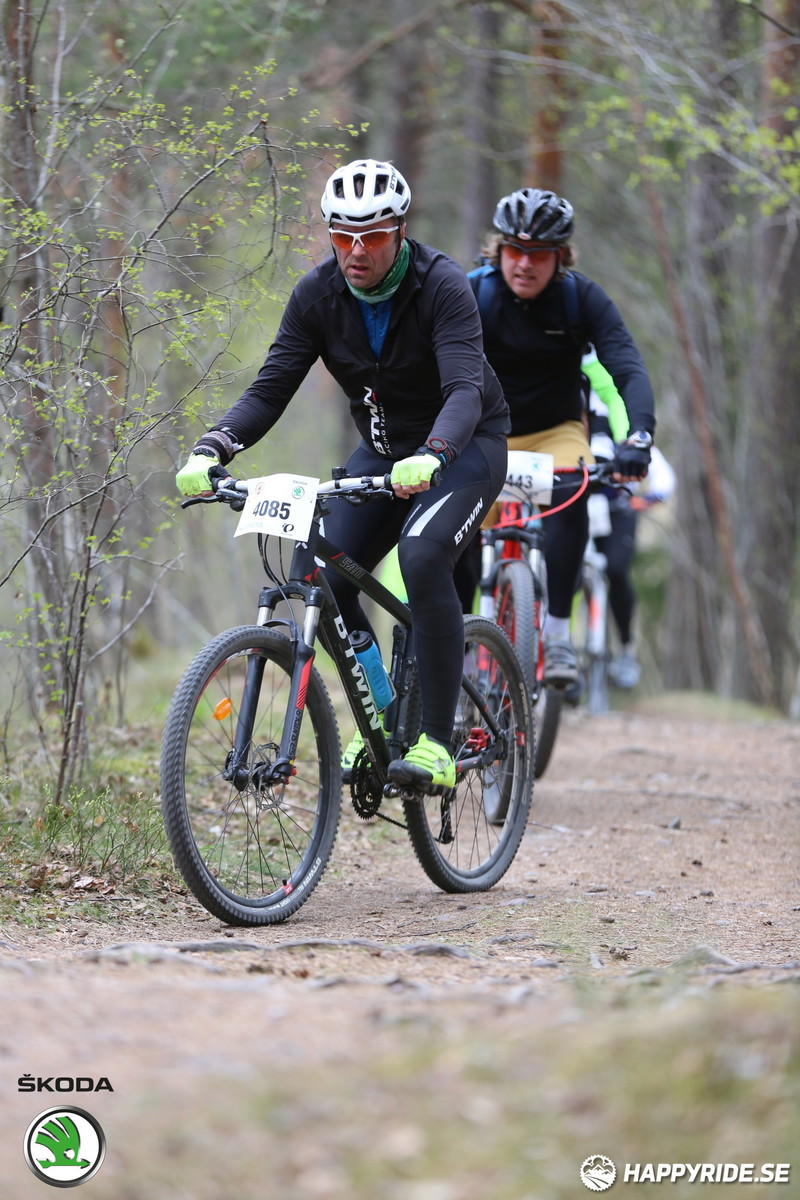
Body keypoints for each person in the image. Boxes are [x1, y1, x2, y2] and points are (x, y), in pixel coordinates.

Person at [175, 159, 510, 792]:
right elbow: (270, 388)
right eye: (342, 234)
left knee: (421, 556)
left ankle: (438, 743)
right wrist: (212, 447)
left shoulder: (442, 285)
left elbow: (465, 387)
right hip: (384, 453)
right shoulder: (316, 296)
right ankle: (382, 710)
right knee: (318, 569)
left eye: (373, 236)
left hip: (465, 447)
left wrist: (436, 452)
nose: (356, 250)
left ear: (399, 232)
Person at [454, 186, 656, 689]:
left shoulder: (580, 298)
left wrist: (640, 436)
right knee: (453, 519)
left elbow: (627, 367)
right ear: (497, 250)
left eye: (539, 254)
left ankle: (559, 633)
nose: (525, 264)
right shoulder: (469, 294)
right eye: (514, 251)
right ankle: (453, 640)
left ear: (560, 257)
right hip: (483, 434)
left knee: (573, 488)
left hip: (555, 433)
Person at [582, 353, 675, 689]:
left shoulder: (616, 407)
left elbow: (662, 476)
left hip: (617, 510)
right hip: (577, 506)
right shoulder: (561, 405)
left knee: (616, 571)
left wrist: (641, 500)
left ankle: (625, 648)